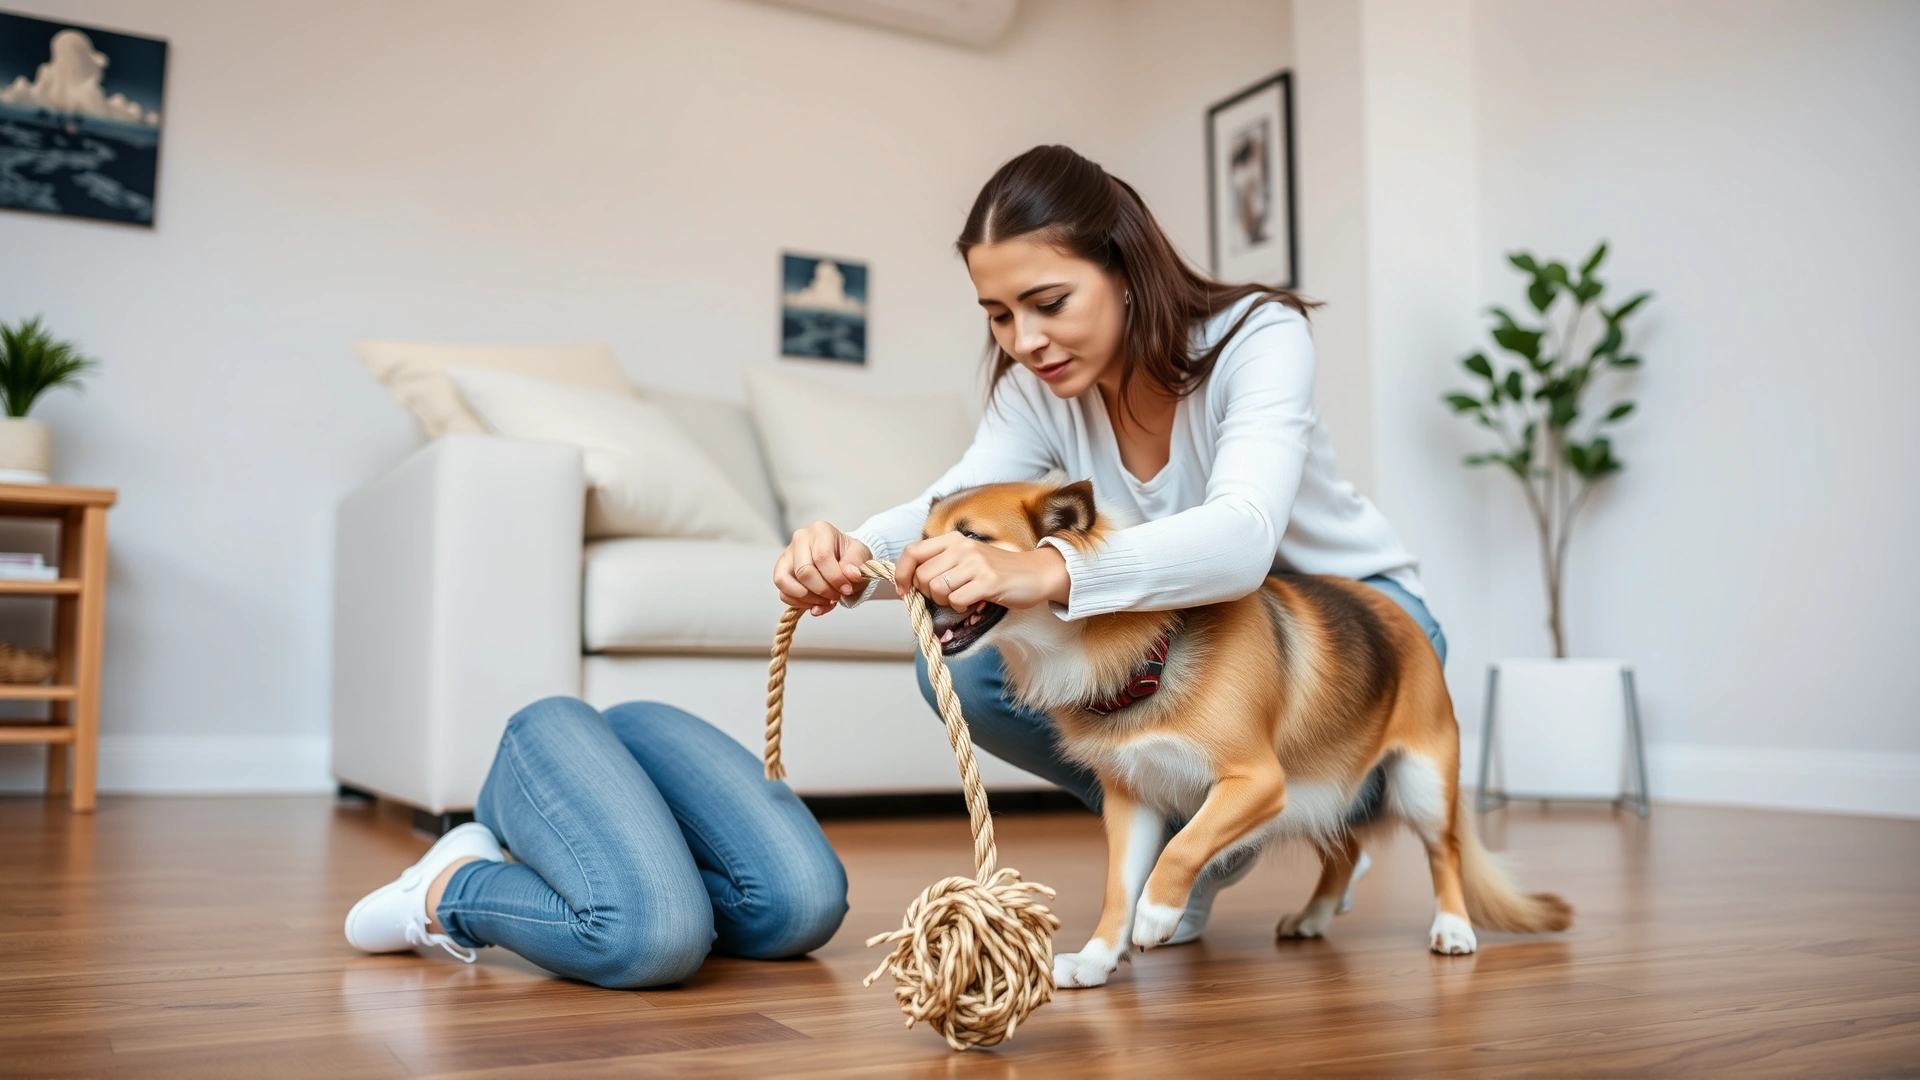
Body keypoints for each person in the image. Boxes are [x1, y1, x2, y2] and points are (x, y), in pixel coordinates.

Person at [773, 144, 1446, 943]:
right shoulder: (1038, 389)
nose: (1024, 340)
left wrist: (1046, 567)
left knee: (1138, 638)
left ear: (1124, 269)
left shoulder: (1260, 335)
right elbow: (951, 501)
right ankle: (1199, 834)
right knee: (961, 671)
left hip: (1355, 637)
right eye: (998, 314)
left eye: (1048, 302)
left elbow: (1243, 541)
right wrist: (848, 553)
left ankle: (1243, 818)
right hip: (1200, 642)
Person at [342, 697, 848, 987]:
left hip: (617, 740)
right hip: (562, 727)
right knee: (652, 938)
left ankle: (660, 879)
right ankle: (454, 889)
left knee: (803, 907)